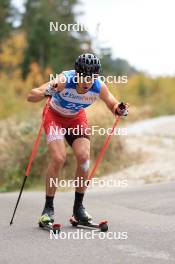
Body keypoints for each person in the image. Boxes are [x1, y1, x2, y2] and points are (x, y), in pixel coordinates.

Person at [27, 53, 128, 224]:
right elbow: (31, 96)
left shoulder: (99, 86)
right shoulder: (64, 80)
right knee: (59, 158)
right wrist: (46, 92)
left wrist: (120, 109)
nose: (87, 82)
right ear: (77, 73)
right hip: (54, 117)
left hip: (76, 119)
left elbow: (112, 104)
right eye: (84, 77)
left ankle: (78, 210)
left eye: (92, 77)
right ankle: (48, 209)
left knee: (84, 158)